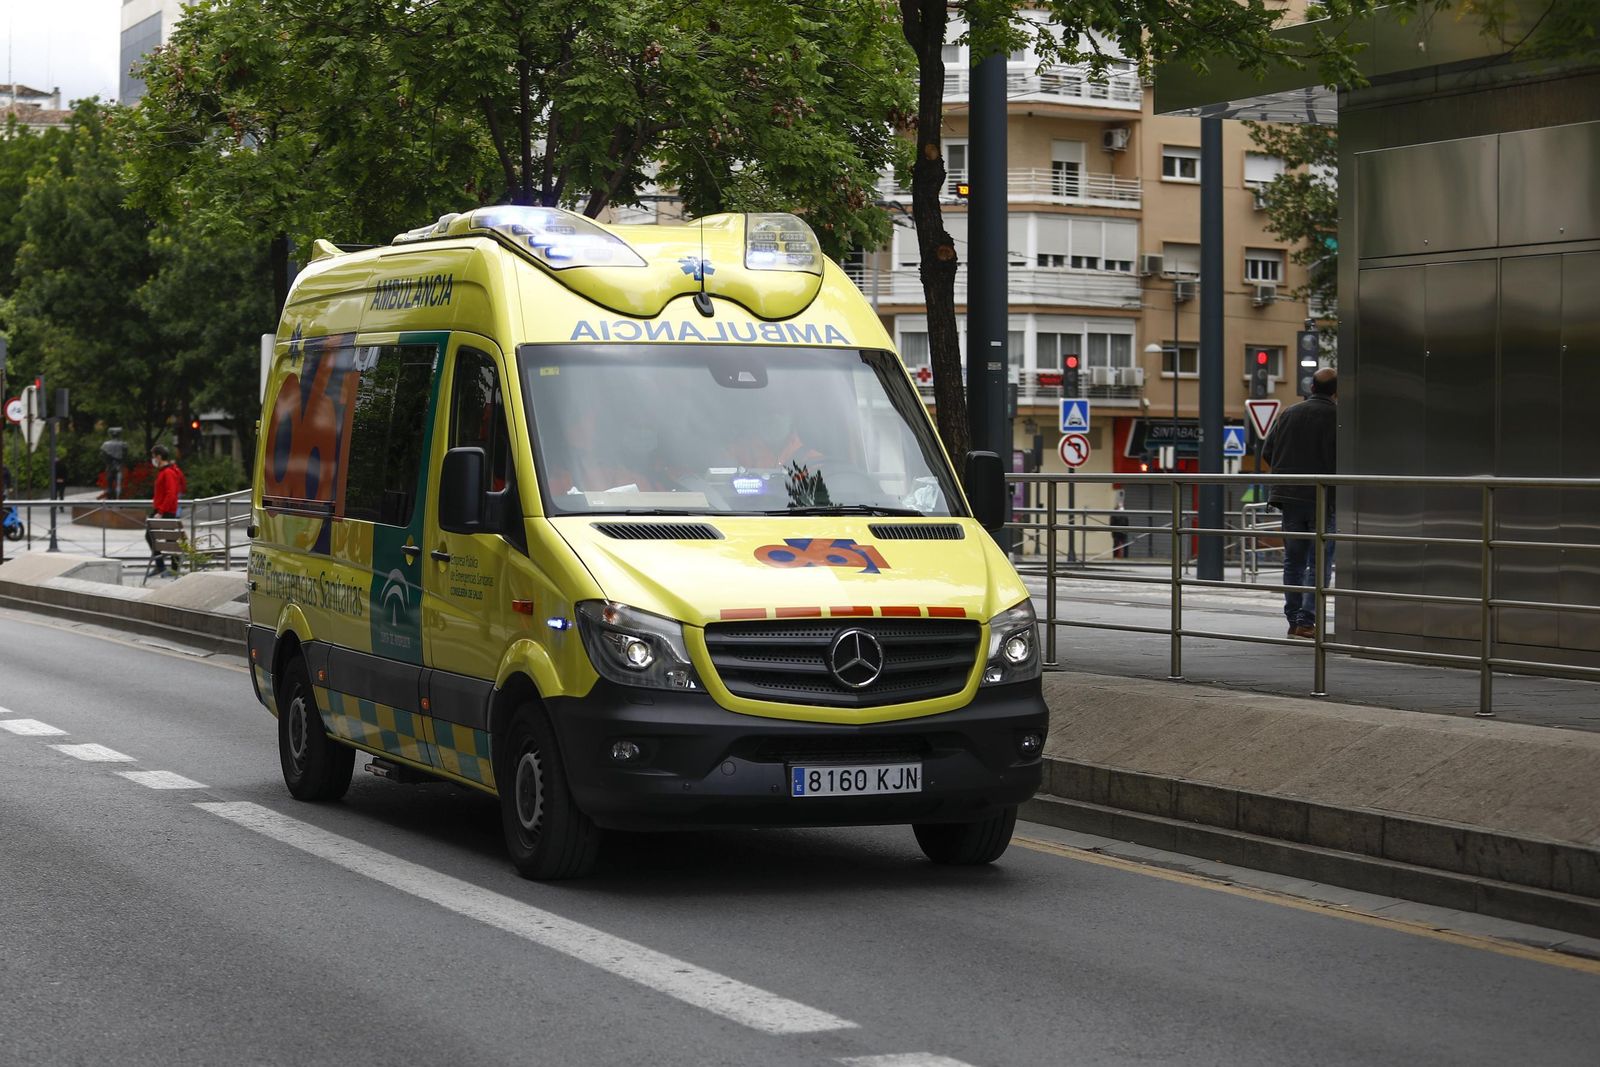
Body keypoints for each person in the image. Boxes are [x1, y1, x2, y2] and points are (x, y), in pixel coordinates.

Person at [1262, 368, 1337, 639]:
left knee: (1293, 560)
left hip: (1289, 497)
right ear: (1336, 391)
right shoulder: (1338, 417)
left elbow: (1267, 451)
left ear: (1312, 387)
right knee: (1320, 561)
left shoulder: (1288, 413)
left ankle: (1294, 620)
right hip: (1323, 498)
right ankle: (1307, 620)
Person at [147, 445, 187, 577]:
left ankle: (164, 567)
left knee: (155, 537)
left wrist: (161, 511)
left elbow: (171, 493)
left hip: (164, 510)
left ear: (158, 457)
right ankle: (166, 567)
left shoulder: (168, 472)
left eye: (153, 456)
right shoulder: (166, 471)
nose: (153, 459)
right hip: (164, 509)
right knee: (167, 539)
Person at [1109, 491, 1130, 559]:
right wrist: (1113, 531)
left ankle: (1126, 557)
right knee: (1116, 545)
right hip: (1116, 532)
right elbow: (1112, 523)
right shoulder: (1114, 514)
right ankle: (1115, 557)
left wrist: (1126, 530)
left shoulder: (1124, 513)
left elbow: (1127, 521)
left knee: (1126, 544)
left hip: (1123, 531)